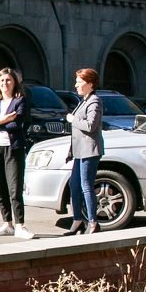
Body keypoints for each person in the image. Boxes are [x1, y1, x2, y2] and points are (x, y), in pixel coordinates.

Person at [0, 67, 33, 240]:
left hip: (13, 148)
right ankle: (7, 223)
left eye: (8, 80)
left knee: (15, 188)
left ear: (14, 82)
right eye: (2, 80)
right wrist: (1, 120)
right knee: (0, 188)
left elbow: (16, 124)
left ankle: (20, 225)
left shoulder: (20, 100)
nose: (5, 83)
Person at [66, 67, 106, 235]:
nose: (76, 85)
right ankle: (77, 220)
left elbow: (90, 126)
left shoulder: (94, 101)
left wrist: (73, 119)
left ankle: (93, 222)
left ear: (90, 84)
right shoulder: (84, 100)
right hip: (79, 151)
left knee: (86, 186)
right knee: (74, 184)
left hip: (90, 150)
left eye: (79, 82)